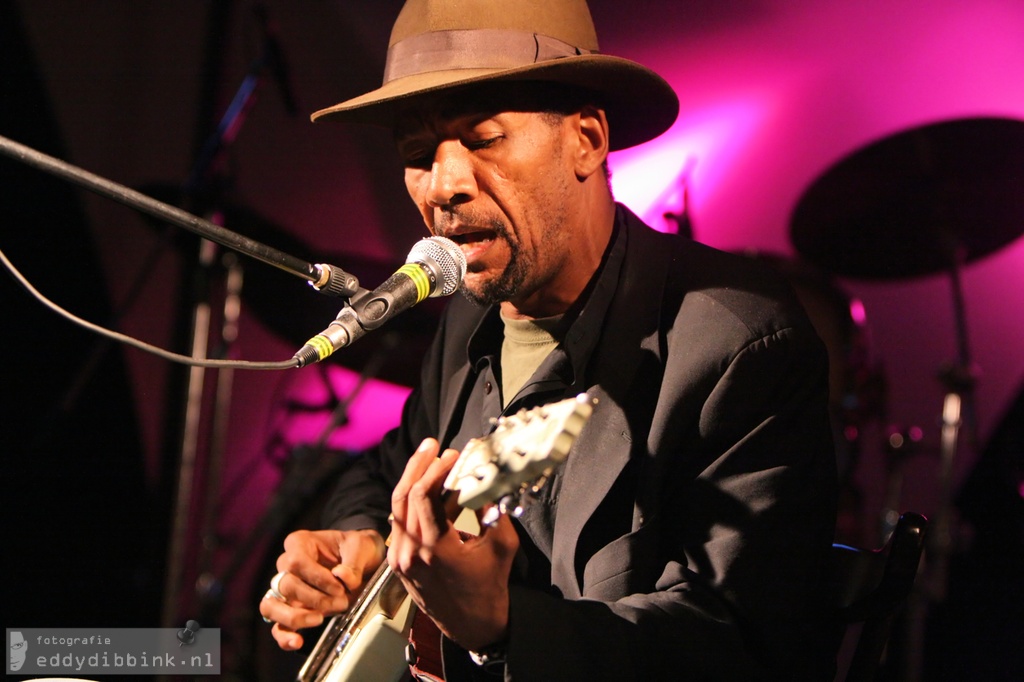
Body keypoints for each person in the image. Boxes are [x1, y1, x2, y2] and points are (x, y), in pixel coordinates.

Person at [259, 1, 839, 679]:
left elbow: (747, 648)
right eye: (418, 154)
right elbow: (386, 465)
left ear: (587, 139)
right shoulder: (470, 317)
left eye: (484, 138)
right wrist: (356, 539)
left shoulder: (739, 346)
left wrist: (504, 627)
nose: (444, 185)